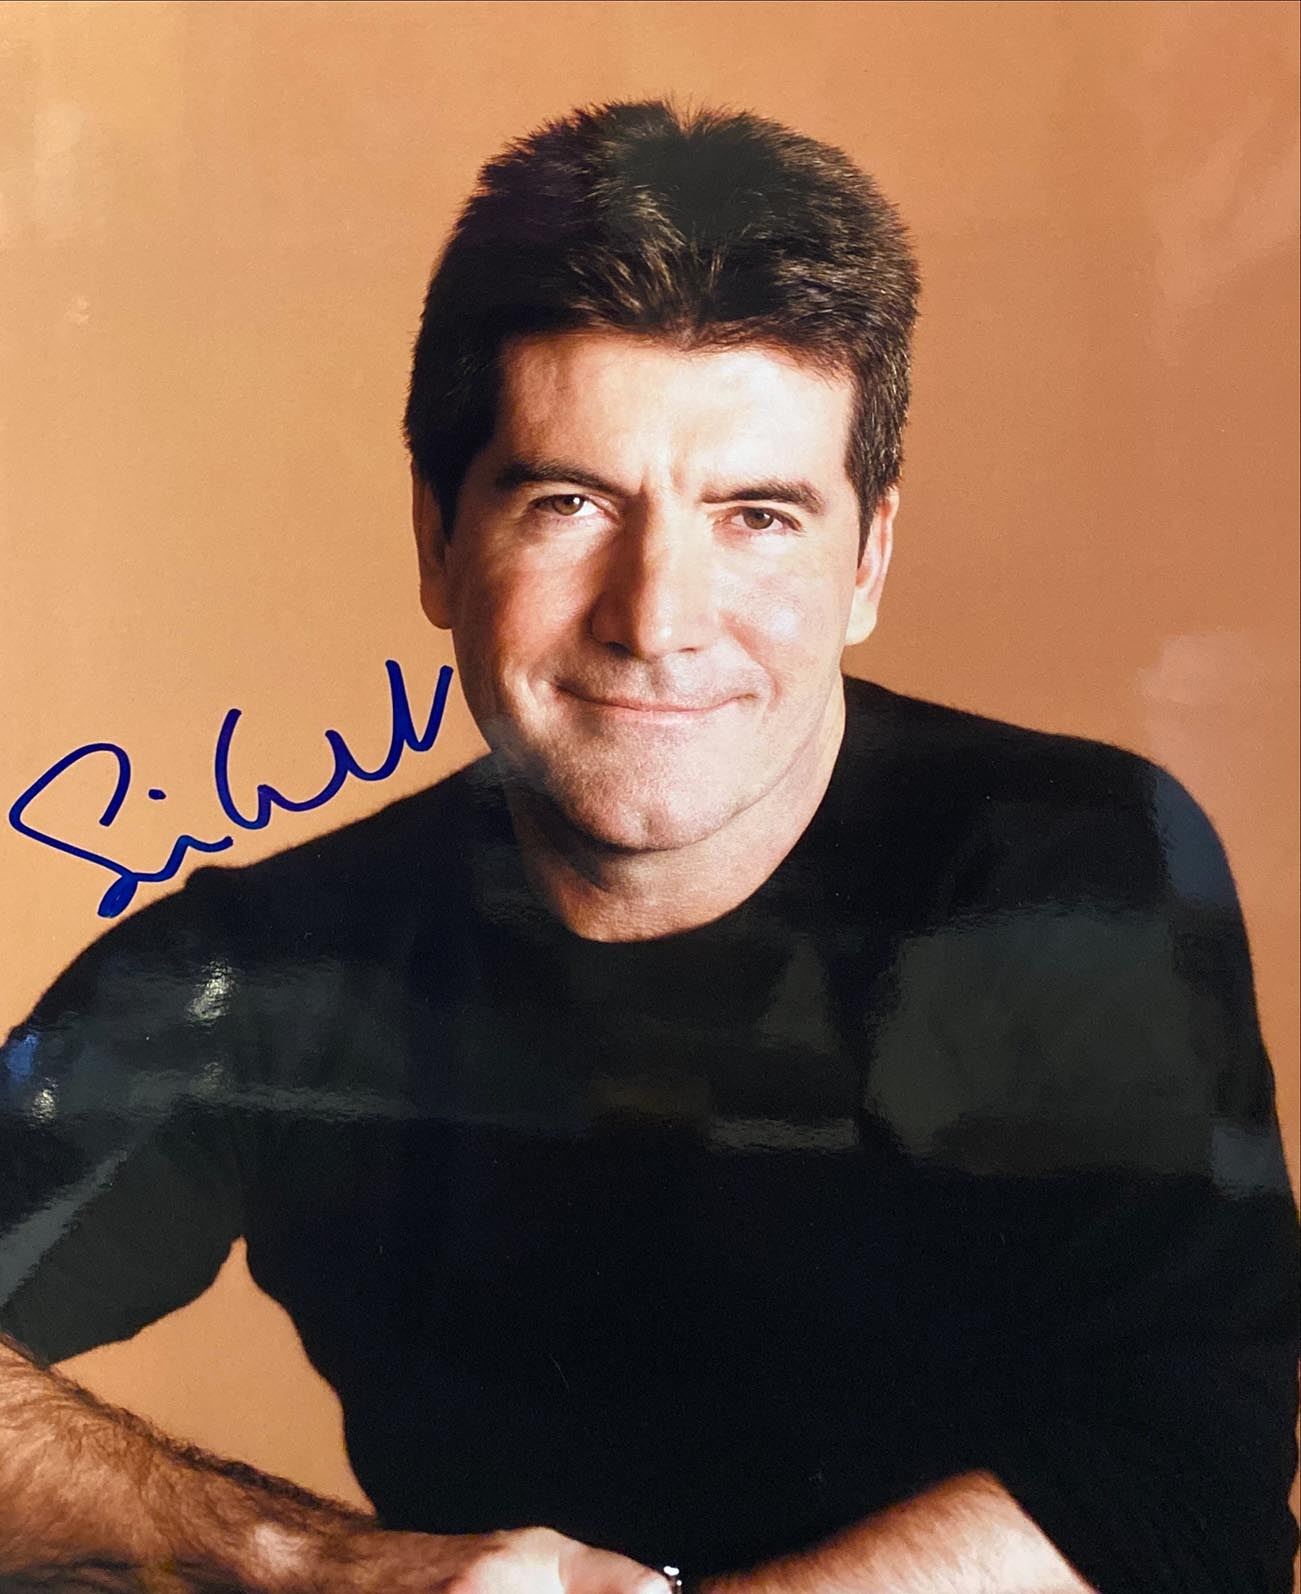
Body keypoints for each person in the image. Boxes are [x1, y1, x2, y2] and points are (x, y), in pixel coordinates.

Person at [0, 100, 1295, 1594]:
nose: (656, 617)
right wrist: (316, 1565)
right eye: (569, 501)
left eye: (757, 516)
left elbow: (1182, 1489)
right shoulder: (259, 968)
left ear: (869, 559)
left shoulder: (1069, 865)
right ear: (436, 539)